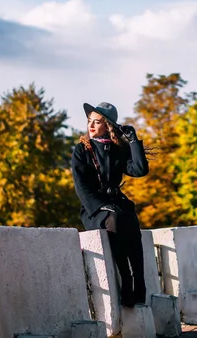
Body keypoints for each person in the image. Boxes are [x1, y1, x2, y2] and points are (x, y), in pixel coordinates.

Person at [71, 101, 149, 308]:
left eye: (97, 122)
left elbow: (140, 170)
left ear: (108, 125)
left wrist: (133, 141)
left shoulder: (118, 149)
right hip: (94, 209)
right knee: (115, 218)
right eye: (90, 121)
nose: (91, 126)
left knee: (130, 219)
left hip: (117, 203)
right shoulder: (82, 150)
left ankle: (140, 283)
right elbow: (81, 187)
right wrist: (100, 206)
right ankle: (127, 281)